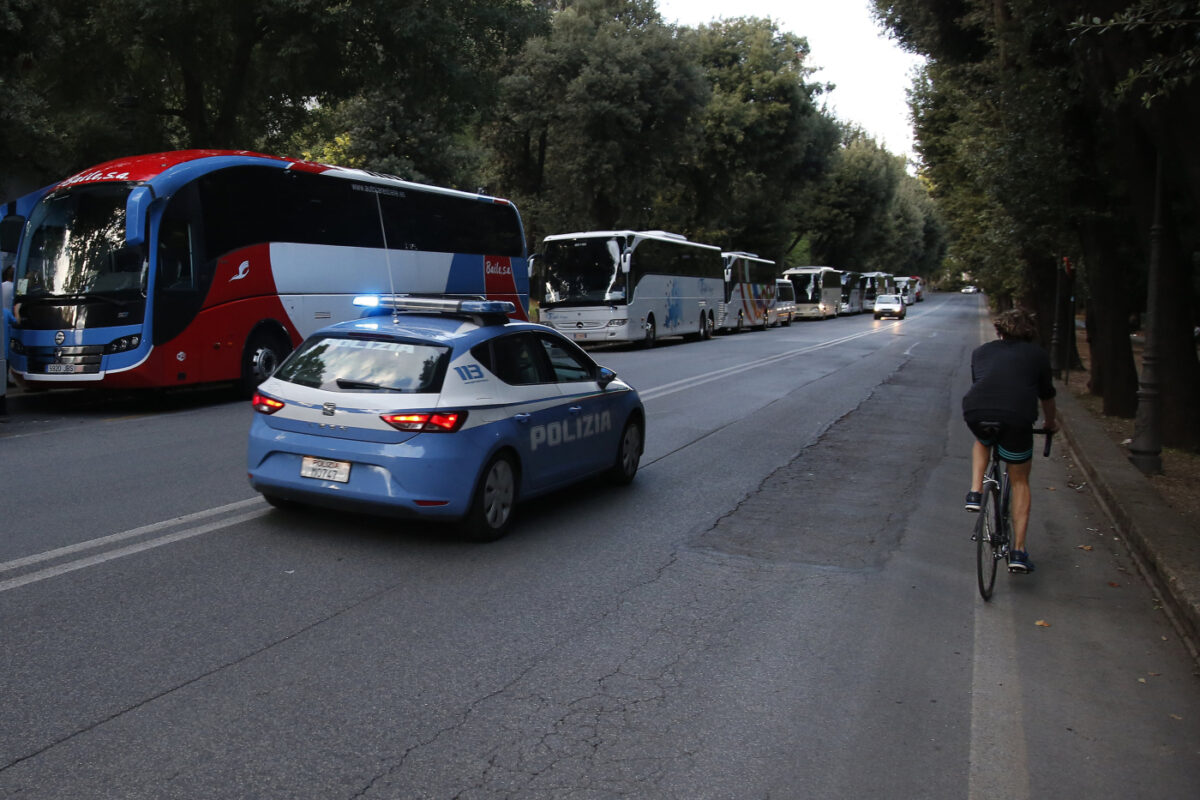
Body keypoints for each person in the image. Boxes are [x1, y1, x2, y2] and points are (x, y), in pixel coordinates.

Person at [962, 308, 1058, 573]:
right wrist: (1050, 422)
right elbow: (1047, 395)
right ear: (1031, 332)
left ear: (999, 330)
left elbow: (984, 384)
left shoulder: (981, 352)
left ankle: (975, 492)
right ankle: (1018, 551)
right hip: (1017, 417)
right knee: (1019, 480)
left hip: (977, 410)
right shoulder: (1038, 356)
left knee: (983, 439)